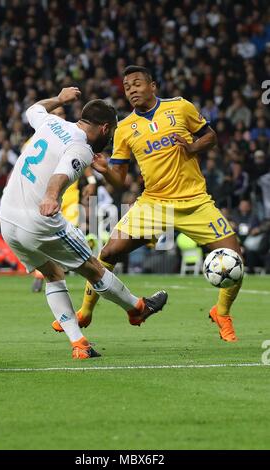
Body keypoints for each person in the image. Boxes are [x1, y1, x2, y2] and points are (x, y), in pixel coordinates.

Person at [53, 66, 243, 342]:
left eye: (137, 83)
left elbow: (210, 137)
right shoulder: (125, 128)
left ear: (152, 85)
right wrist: (106, 171)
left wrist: (192, 147)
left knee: (235, 259)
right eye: (127, 86)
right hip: (154, 204)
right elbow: (119, 180)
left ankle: (221, 312)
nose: (131, 89)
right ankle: (84, 312)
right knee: (108, 254)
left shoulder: (180, 107)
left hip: (195, 201)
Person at [0, 86, 168, 359]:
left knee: (54, 274)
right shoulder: (81, 148)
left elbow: (33, 109)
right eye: (111, 133)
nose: (110, 138)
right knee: (93, 268)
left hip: (7, 219)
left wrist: (59, 98)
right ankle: (137, 309)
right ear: (104, 128)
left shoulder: (52, 121)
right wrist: (51, 197)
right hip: (38, 219)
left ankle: (79, 345)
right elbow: (62, 173)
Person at [31, 105, 97, 293]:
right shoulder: (39, 137)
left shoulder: (72, 134)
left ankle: (63, 272)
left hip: (70, 198)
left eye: (62, 114)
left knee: (67, 237)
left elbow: (81, 156)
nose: (60, 116)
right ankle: (45, 273)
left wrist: (91, 180)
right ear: (50, 116)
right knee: (47, 237)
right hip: (48, 198)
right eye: (56, 114)